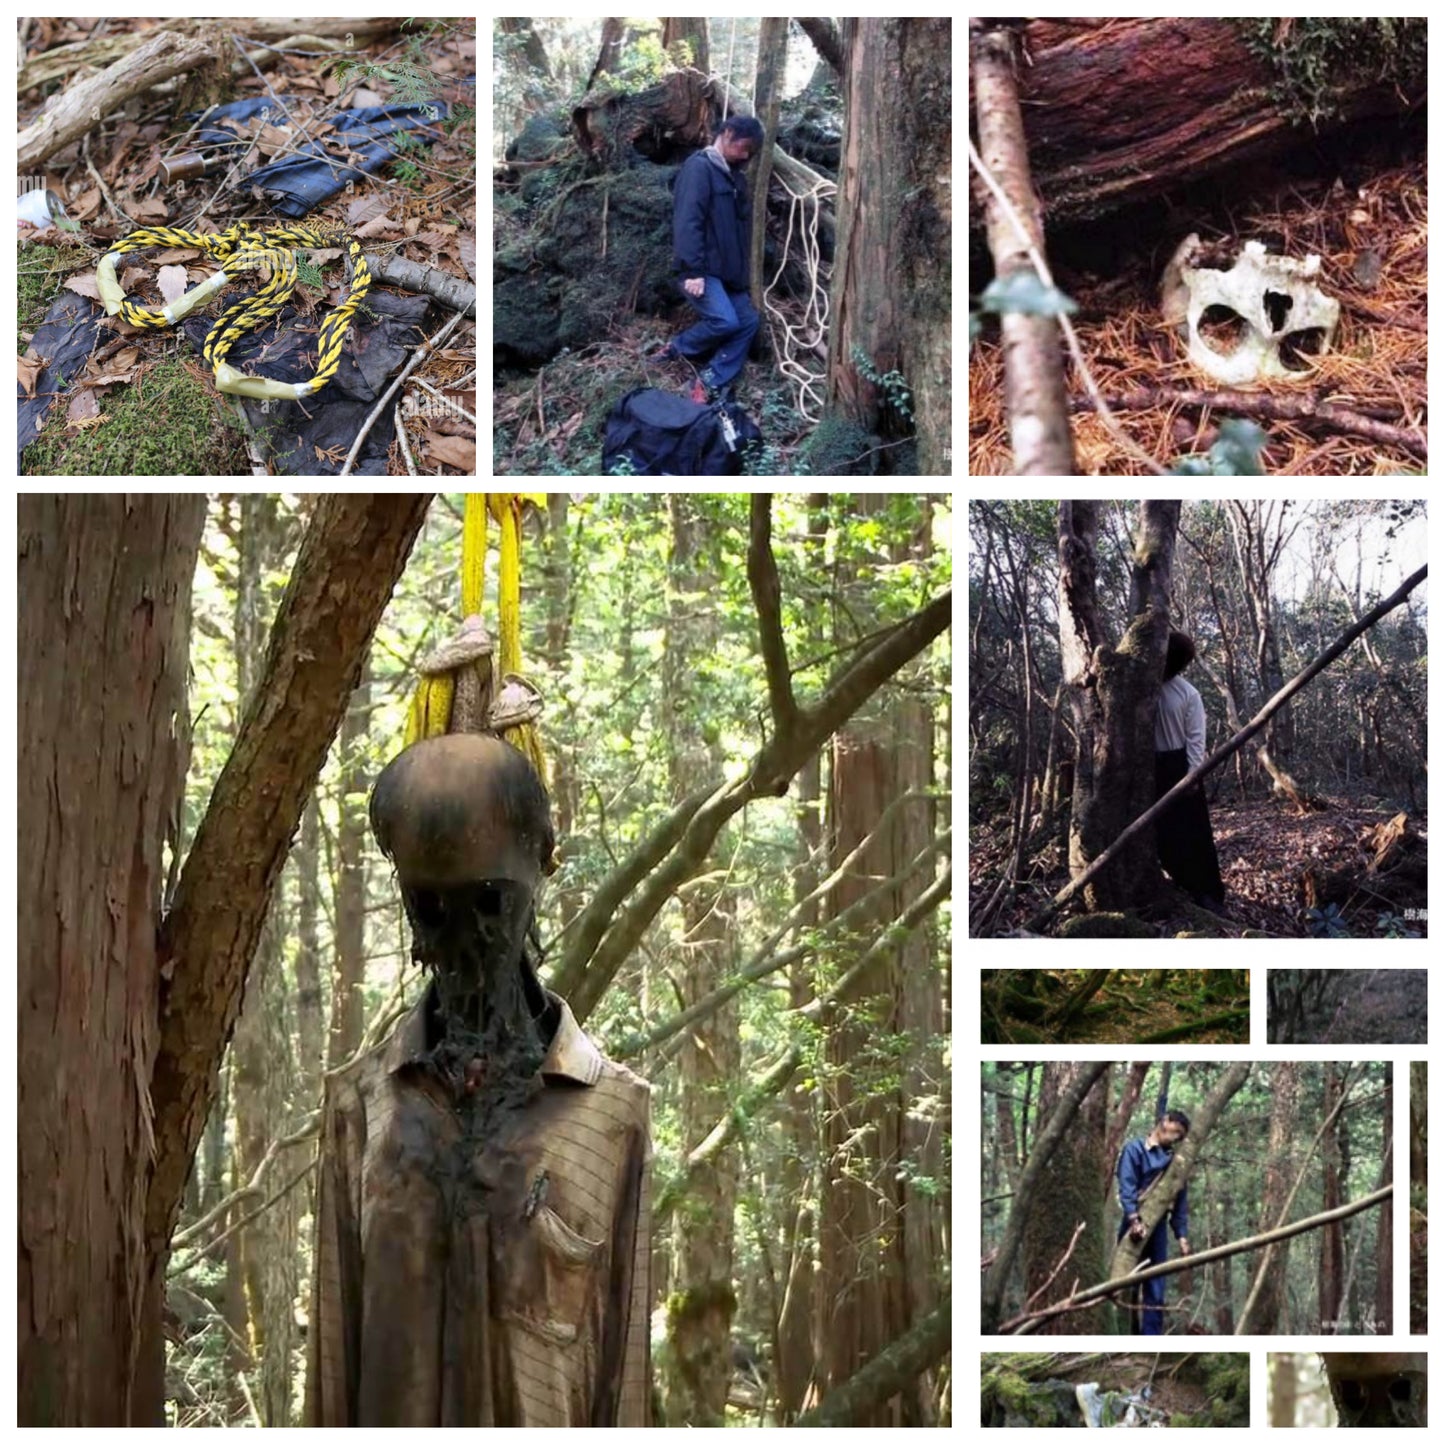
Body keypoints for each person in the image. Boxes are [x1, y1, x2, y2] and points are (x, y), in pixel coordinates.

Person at [306, 734, 652, 1426]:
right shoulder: (360, 1105)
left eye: (489, 902)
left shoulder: (611, 1113)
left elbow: (625, 1378)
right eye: (432, 907)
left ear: (529, 890)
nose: (464, 935)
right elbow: (331, 1373)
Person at [653, 114, 764, 404]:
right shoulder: (699, 168)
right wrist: (692, 271)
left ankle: (709, 379)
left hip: (728, 276)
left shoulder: (733, 176)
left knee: (748, 322)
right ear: (727, 133)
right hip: (702, 271)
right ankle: (676, 348)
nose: (745, 154)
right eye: (744, 146)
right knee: (725, 322)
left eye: (750, 151)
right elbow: (688, 220)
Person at [1155, 630, 1227, 913]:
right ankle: (1179, 882)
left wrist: (1192, 776)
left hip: (1179, 767)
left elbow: (1196, 739)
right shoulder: (1141, 689)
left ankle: (1207, 893)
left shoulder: (1188, 694)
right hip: (1147, 768)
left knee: (1193, 832)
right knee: (1163, 833)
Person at [1116, 1110, 1193, 1335]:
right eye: (1176, 1131)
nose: (1176, 1137)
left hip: (1158, 1227)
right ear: (1165, 1121)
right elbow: (1127, 1186)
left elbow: (1179, 1200)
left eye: (1181, 1135)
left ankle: (1151, 1339)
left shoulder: (1174, 1163)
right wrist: (1133, 1219)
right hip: (1132, 1223)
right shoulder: (1134, 1149)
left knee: (1155, 1287)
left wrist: (1182, 1235)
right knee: (1124, 1285)